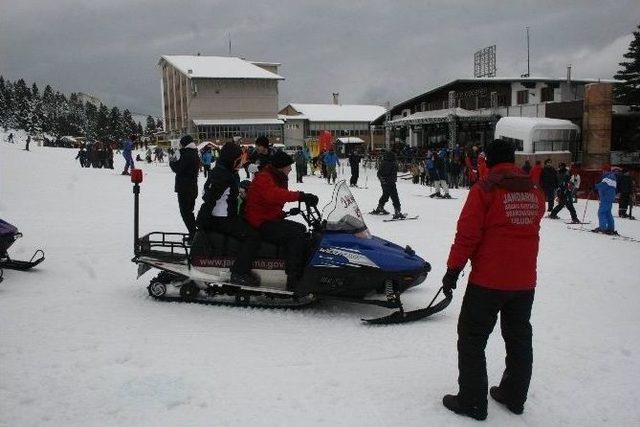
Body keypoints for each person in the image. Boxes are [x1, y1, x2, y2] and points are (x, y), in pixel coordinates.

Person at [441, 139, 545, 421]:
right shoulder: (534, 190)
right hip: (524, 282)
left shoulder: (485, 188)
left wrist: (453, 270)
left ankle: (472, 401)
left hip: (488, 281)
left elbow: (468, 235)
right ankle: (513, 395)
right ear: (512, 158)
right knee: (519, 338)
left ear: (489, 159)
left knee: (472, 338)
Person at [244, 151, 319, 290]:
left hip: (267, 218)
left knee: (301, 229)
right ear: (280, 167)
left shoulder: (275, 176)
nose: (291, 169)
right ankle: (293, 278)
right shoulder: (264, 178)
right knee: (295, 236)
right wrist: (301, 196)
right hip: (259, 222)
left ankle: (302, 268)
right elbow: (274, 195)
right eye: (288, 166)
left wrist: (283, 213)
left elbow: (269, 202)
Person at [196, 142, 261, 286]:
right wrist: (201, 223)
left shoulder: (224, 171)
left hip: (226, 216)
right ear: (231, 159)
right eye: (238, 161)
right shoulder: (223, 175)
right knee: (253, 236)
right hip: (222, 220)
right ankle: (238, 272)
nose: (240, 164)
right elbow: (210, 199)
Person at [169, 135, 200, 238]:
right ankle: (194, 233)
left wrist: (172, 161)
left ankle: (194, 234)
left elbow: (178, 169)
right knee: (189, 212)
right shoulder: (195, 152)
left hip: (184, 188)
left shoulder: (186, 154)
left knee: (185, 212)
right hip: (192, 187)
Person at [371, 150, 405, 219]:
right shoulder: (392, 163)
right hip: (390, 183)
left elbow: (379, 173)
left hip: (384, 183)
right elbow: (392, 174)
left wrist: (382, 180)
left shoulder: (383, 163)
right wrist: (388, 180)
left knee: (385, 195)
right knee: (394, 197)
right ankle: (397, 211)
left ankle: (380, 207)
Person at [592, 168, 618, 234]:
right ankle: (610, 228)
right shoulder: (612, 177)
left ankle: (602, 228)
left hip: (605, 198)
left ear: (605, 171)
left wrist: (594, 186)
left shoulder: (608, 178)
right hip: (609, 198)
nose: (602, 172)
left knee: (601, 213)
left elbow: (603, 186)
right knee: (608, 213)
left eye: (603, 171)